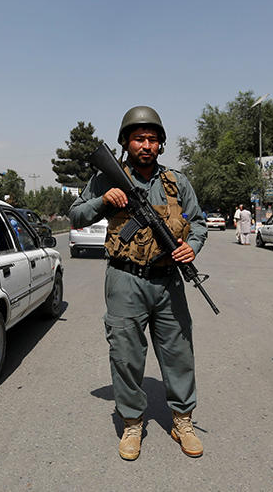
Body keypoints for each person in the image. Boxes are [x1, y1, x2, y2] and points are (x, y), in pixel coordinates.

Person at [69, 105, 207, 461]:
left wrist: (192, 247)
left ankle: (182, 420)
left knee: (178, 354)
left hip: (167, 282)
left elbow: (200, 223)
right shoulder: (106, 178)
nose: (146, 145)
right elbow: (76, 216)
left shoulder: (177, 182)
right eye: (138, 138)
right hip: (125, 279)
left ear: (160, 144)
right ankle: (132, 423)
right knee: (126, 355)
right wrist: (103, 200)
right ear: (126, 143)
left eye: (152, 139)